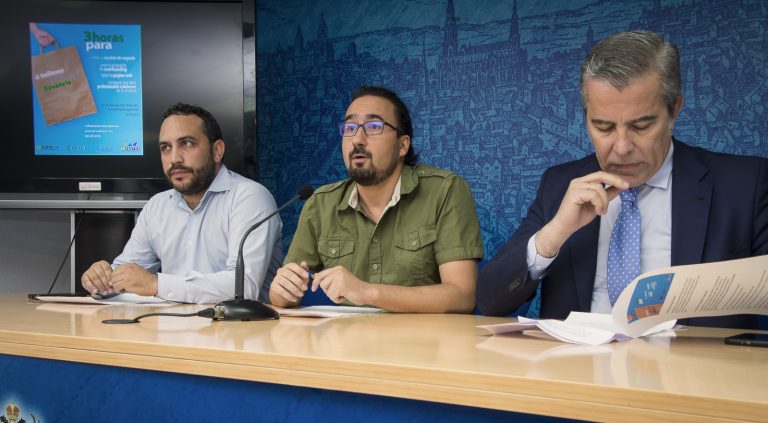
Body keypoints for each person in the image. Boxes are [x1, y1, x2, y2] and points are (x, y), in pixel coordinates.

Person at [477, 30, 768, 328]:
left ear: (675, 109)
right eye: (603, 127)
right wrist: (553, 236)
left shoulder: (744, 186)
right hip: (577, 358)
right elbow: (489, 301)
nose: (622, 147)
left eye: (641, 126)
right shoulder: (559, 184)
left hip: (687, 358)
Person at [269, 85, 483, 313]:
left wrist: (368, 292)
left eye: (373, 127)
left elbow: (463, 295)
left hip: (421, 336)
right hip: (347, 335)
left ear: (403, 145)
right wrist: (282, 290)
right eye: (350, 128)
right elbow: (282, 297)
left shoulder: (444, 191)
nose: (357, 139)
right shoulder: (320, 204)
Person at [81, 103, 282, 303]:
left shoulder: (249, 198)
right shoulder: (157, 206)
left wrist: (156, 285)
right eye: (165, 148)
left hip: (240, 323)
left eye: (186, 143)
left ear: (217, 151)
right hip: (171, 322)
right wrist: (100, 280)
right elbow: (126, 277)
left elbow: (244, 286)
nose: (174, 158)